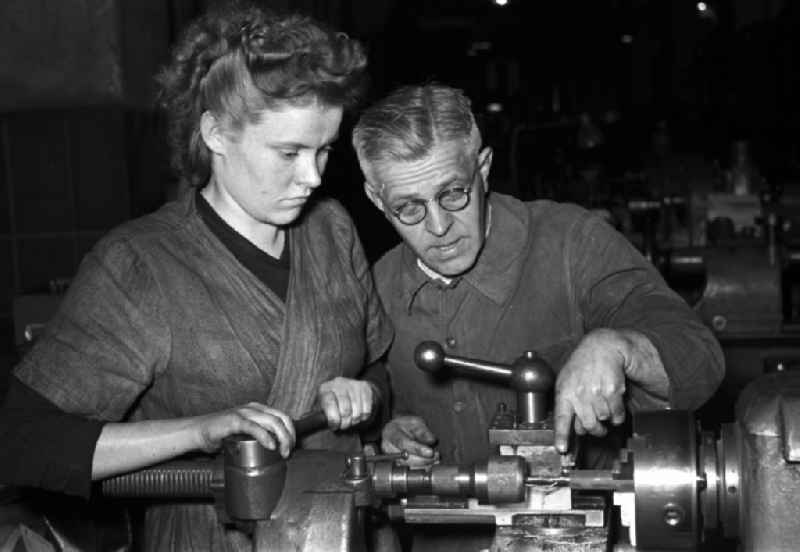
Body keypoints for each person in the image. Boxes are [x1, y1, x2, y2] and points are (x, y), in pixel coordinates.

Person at [0, 4, 392, 550]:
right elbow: (22, 441)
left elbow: (377, 365)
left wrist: (366, 395)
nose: (313, 177)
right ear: (215, 133)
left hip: (341, 529)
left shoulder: (332, 228)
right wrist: (202, 430)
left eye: (324, 150)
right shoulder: (140, 265)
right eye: (289, 152)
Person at [351, 84, 724, 549]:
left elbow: (700, 357)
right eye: (408, 208)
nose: (438, 227)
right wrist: (387, 430)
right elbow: (368, 401)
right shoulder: (375, 286)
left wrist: (620, 347)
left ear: (483, 168)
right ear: (375, 198)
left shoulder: (571, 245)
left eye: (453, 194)